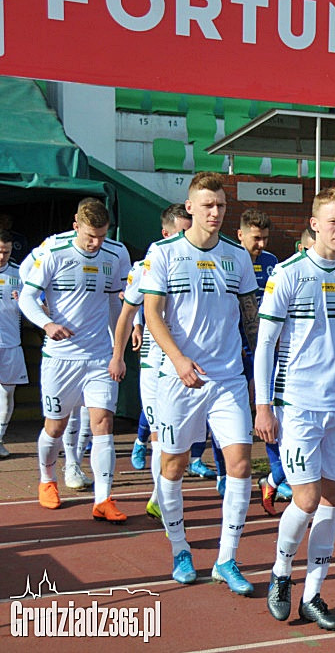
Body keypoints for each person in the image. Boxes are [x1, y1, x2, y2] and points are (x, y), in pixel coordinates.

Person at [257, 187, 335, 629]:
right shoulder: (288, 274)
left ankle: (313, 594)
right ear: (314, 224)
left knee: (332, 501)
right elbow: (265, 344)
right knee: (305, 499)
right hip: (300, 407)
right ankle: (280, 572)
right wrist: (263, 404)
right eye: (333, 221)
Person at [140, 172, 260, 593]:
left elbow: (250, 318)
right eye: (207, 205)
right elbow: (151, 313)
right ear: (189, 208)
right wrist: (178, 360)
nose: (215, 212)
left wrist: (258, 374)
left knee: (241, 464)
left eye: (221, 206)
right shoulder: (164, 252)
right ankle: (180, 549)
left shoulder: (238, 255)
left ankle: (227, 558)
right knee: (172, 467)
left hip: (226, 378)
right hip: (179, 380)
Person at [20, 199, 129, 521]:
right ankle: (47, 479)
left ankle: (104, 498)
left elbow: (115, 304)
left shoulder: (116, 253)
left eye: (101, 236)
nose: (96, 243)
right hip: (60, 358)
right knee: (55, 426)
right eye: (90, 237)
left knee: (103, 424)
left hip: (99, 356)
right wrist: (46, 323)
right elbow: (26, 296)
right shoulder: (54, 251)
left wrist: (117, 350)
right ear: (75, 225)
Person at [111, 203, 193, 523]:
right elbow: (127, 314)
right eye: (182, 231)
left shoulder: (203, 262)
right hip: (156, 363)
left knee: (181, 437)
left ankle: (165, 492)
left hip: (190, 361)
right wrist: (117, 356)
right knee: (161, 431)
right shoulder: (149, 264)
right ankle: (159, 497)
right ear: (166, 232)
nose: (188, 238)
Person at [235, 209, 292, 516]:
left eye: (265, 238)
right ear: (240, 234)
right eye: (256, 238)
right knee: (237, 415)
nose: (261, 244)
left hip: (265, 348)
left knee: (267, 410)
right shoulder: (230, 259)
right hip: (234, 349)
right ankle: (223, 473)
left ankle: (276, 473)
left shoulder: (272, 263)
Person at [0, 231, 27, 459]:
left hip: (10, 344)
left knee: (7, 395)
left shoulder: (18, 274)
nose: (1, 256)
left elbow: (33, 309)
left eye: (6, 252)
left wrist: (24, 303)